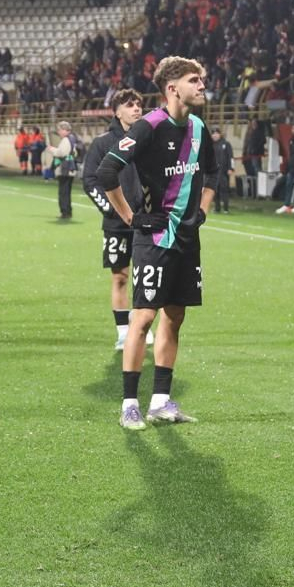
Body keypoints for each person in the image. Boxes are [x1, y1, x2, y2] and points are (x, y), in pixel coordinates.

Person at [95, 56, 217, 429]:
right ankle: (130, 404)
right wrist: (130, 217)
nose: (201, 85)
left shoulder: (198, 127)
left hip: (186, 238)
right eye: (194, 80)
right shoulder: (149, 126)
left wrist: (203, 211)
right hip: (154, 237)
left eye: (203, 79)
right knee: (144, 317)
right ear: (172, 88)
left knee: (175, 316)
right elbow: (106, 171)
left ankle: (161, 401)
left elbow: (212, 171)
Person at [83, 89, 148, 350]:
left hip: (146, 221)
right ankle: (123, 331)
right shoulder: (102, 143)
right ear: (117, 111)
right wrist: (110, 209)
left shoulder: (147, 140)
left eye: (139, 105)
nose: (136, 109)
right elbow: (89, 180)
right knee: (120, 276)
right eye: (130, 105)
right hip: (116, 224)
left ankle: (141, 326)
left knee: (145, 278)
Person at [50, 120, 82, 219]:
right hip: (71, 168)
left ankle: (65, 212)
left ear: (64, 130)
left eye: (60, 130)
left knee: (63, 192)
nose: (59, 132)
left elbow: (61, 153)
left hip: (65, 169)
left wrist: (52, 150)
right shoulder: (73, 138)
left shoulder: (66, 140)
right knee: (67, 191)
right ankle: (68, 211)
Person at [209, 127, 233, 213]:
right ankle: (217, 207)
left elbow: (230, 157)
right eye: (213, 133)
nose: (215, 135)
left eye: (216, 133)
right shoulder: (210, 145)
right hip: (214, 172)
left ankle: (226, 208)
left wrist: (231, 168)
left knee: (224, 189)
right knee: (215, 190)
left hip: (223, 171)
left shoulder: (226, 144)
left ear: (220, 134)